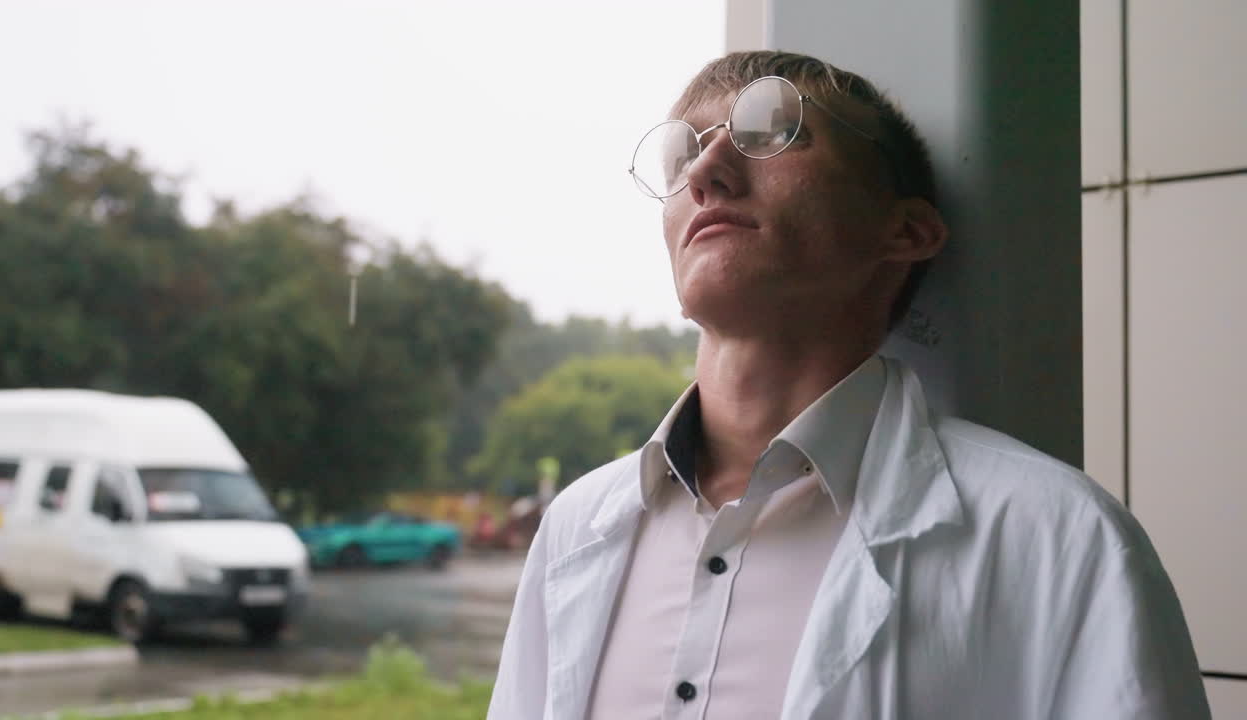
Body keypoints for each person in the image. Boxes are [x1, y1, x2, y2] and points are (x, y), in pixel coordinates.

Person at [487, 51, 1209, 720]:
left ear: (906, 233)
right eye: (686, 151)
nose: (705, 171)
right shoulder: (578, 527)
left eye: (771, 131)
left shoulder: (1059, 537)